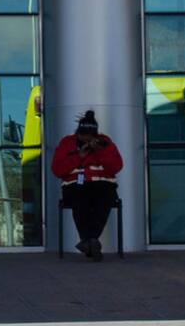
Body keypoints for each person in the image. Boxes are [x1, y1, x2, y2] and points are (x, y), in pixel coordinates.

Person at [52, 110, 123, 261]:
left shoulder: (105, 142)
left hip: (103, 184)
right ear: (78, 133)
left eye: (90, 138)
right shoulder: (67, 143)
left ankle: (88, 241)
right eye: (83, 137)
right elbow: (57, 170)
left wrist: (100, 152)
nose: (86, 140)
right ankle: (92, 242)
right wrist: (79, 157)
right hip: (76, 185)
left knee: (103, 201)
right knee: (80, 201)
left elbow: (116, 166)